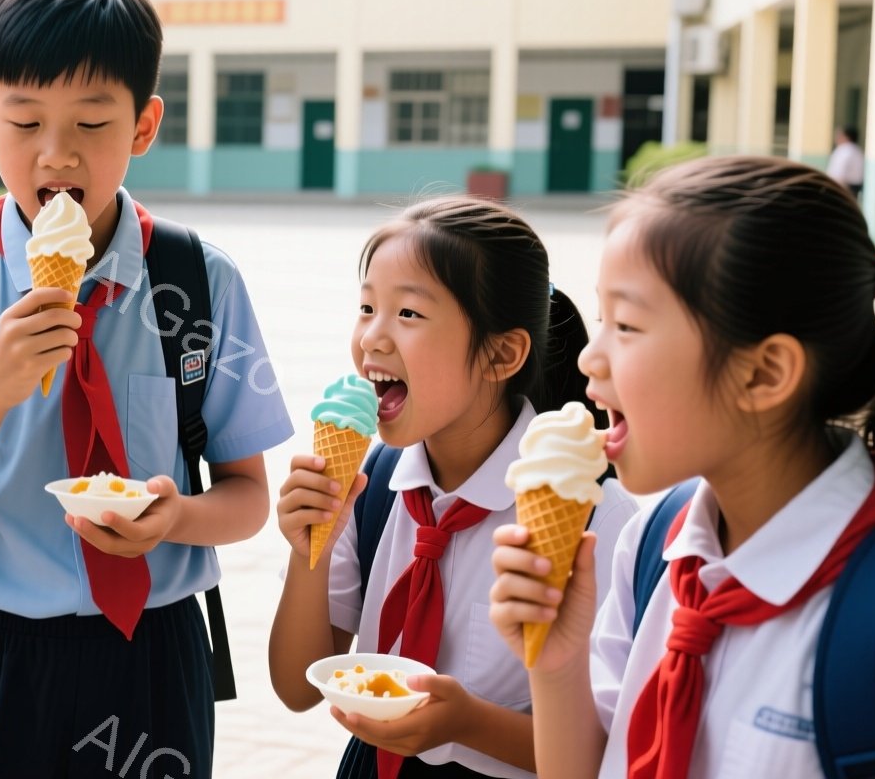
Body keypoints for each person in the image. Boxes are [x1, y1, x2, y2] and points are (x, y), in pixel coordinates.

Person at [0, 0, 294, 777]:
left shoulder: (198, 285)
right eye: (25, 124)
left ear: (144, 126)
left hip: (152, 654)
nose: (57, 156)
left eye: (92, 124)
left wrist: (176, 519)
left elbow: (246, 496)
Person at [490, 156, 875, 777]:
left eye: (629, 325)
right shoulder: (651, 549)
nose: (589, 358)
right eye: (602, 319)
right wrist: (556, 666)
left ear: (765, 372)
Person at [269, 196, 637, 779]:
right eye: (366, 307)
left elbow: (611, 750)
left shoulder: (595, 519)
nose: (373, 339)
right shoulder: (370, 486)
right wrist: (305, 551)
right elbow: (298, 686)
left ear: (502, 353)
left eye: (409, 314)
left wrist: (467, 724)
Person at [825, 125, 864, 199]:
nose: (836, 138)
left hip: (844, 188)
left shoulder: (844, 150)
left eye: (840, 135)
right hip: (852, 188)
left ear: (846, 137)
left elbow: (839, 175)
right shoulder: (857, 150)